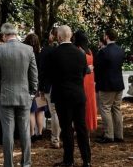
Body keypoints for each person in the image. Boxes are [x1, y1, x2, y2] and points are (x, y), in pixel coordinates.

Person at [0, 23, 38, 167]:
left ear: (4, 36)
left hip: (4, 96)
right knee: (24, 131)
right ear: (15, 34)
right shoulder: (28, 49)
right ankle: (26, 163)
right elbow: (34, 74)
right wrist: (32, 92)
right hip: (24, 96)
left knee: (7, 132)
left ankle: (8, 164)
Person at [45, 25, 91, 167]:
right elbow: (84, 73)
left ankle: (69, 160)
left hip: (62, 95)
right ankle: (86, 160)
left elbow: (49, 75)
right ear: (70, 36)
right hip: (78, 94)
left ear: (59, 37)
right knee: (81, 127)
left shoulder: (53, 54)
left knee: (66, 129)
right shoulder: (80, 54)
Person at [94, 28, 125, 144]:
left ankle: (109, 135)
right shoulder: (121, 50)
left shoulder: (103, 52)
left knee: (105, 108)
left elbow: (99, 68)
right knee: (116, 108)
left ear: (106, 37)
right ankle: (119, 134)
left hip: (107, 84)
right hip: (118, 83)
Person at [38, 27, 61, 149]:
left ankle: (55, 138)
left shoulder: (46, 51)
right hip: (63, 85)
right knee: (59, 111)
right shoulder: (64, 50)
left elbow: (41, 71)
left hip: (49, 85)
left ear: (52, 36)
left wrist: (40, 87)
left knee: (54, 112)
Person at [73, 31, 97, 135]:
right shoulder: (89, 51)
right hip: (90, 79)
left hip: (83, 79)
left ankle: (80, 127)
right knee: (89, 103)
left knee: (82, 104)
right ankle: (89, 126)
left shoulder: (78, 51)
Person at [24, 33, 46, 141]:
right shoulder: (41, 55)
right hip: (40, 85)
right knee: (40, 110)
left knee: (31, 110)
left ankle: (32, 133)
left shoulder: (26, 54)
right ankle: (40, 132)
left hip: (29, 84)